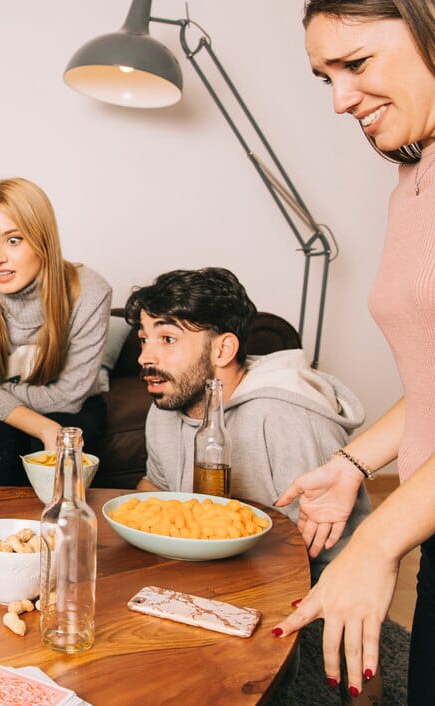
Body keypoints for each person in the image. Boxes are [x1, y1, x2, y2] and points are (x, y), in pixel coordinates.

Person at [270, 2, 435, 701]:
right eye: (324, 77)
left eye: (357, 64)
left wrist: (375, 542)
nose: (340, 101)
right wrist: (352, 464)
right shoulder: (412, 181)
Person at [126, 268, 371, 578]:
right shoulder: (165, 406)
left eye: (168, 339)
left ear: (223, 349)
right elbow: (155, 487)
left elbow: (336, 551)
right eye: (144, 340)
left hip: (302, 584)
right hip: (206, 574)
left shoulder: (285, 417)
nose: (145, 358)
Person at [0, 177, 111, 485]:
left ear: (42, 239)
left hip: (72, 407)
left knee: (65, 442)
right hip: (3, 413)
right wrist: (43, 427)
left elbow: (69, 396)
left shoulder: (90, 291)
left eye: (13, 240)